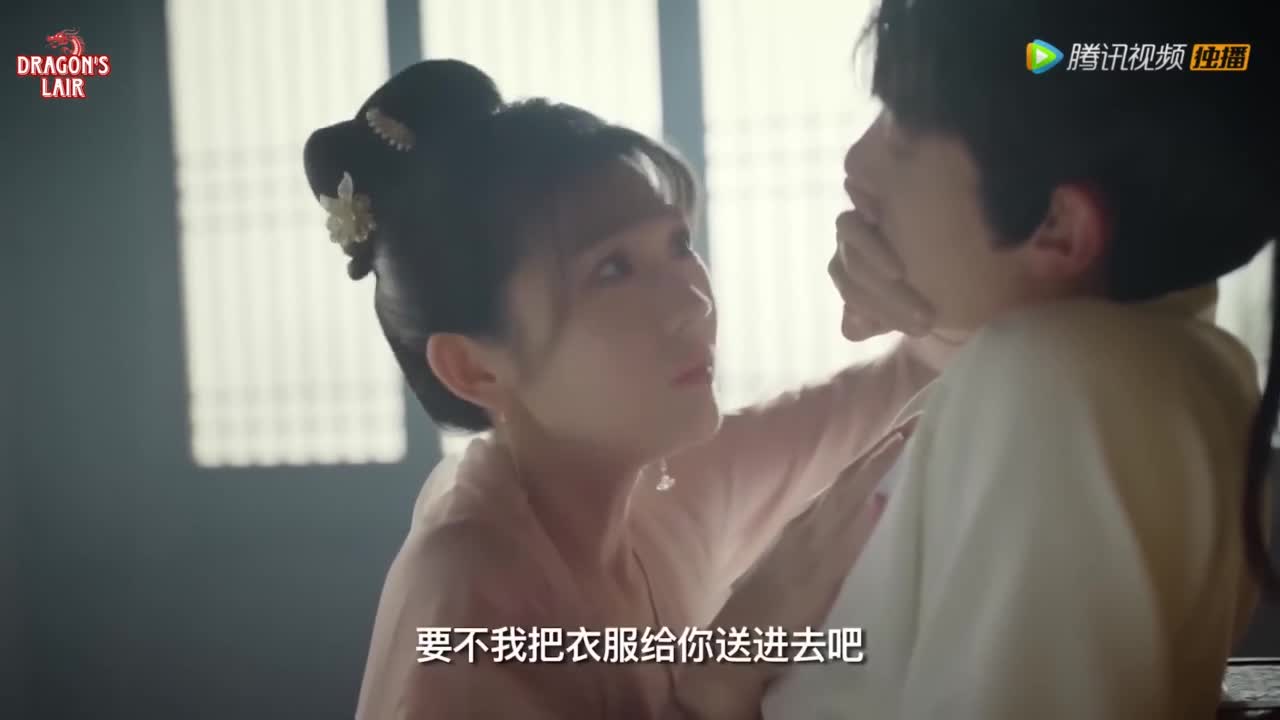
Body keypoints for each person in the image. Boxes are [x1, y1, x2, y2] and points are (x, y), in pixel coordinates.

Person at [667, 1, 1278, 717]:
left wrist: (714, 687)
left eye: (902, 131)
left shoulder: (1053, 388)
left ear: (1057, 226)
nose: (856, 166)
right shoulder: (1186, 363)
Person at [302, 59, 949, 719]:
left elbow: (906, 385)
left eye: (678, 244)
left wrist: (916, 291)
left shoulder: (662, 485)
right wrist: (719, 681)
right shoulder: (468, 593)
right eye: (613, 269)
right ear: (475, 369)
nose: (693, 302)